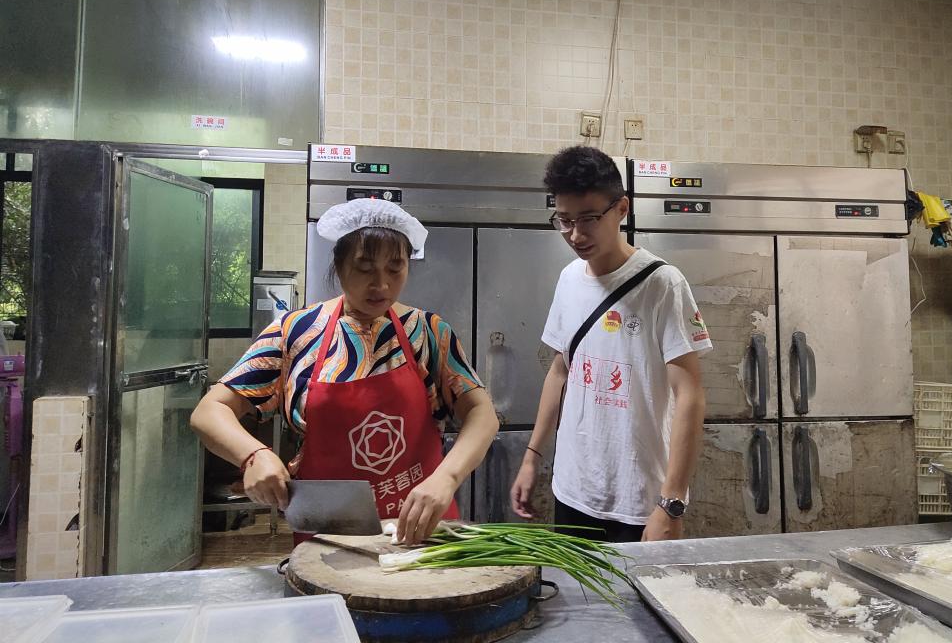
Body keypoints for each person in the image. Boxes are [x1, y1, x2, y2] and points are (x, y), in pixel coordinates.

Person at [191, 198, 498, 545]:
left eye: (395, 268)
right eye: (365, 268)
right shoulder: (296, 332)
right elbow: (209, 411)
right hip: (329, 535)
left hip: (420, 531)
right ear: (338, 266)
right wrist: (253, 455)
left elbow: (482, 413)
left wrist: (448, 477)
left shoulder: (427, 332)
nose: (381, 285)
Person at [510, 146, 711, 542]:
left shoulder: (663, 284)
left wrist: (671, 502)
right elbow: (560, 371)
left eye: (588, 219)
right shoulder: (569, 279)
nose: (575, 234)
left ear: (622, 209)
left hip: (639, 500)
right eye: (565, 220)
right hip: (573, 489)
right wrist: (532, 457)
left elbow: (690, 395)